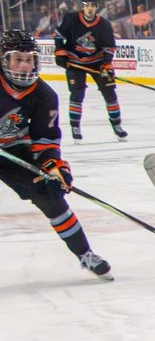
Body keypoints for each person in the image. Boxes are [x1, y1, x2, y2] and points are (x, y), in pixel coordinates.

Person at [0, 31, 111, 280]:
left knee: (49, 194)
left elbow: (45, 140)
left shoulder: (44, 96)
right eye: (18, 59)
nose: (25, 66)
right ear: (4, 60)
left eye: (29, 59)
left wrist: (54, 167)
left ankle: (85, 253)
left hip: (12, 149)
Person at [53, 0, 126, 141]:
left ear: (97, 7)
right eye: (87, 5)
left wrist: (107, 65)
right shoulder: (71, 19)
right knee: (77, 94)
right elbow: (58, 36)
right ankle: (75, 127)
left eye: (92, 6)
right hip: (75, 62)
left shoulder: (104, 24)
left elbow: (109, 47)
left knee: (110, 93)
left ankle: (117, 125)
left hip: (97, 62)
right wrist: (60, 52)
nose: (90, 8)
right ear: (83, 7)